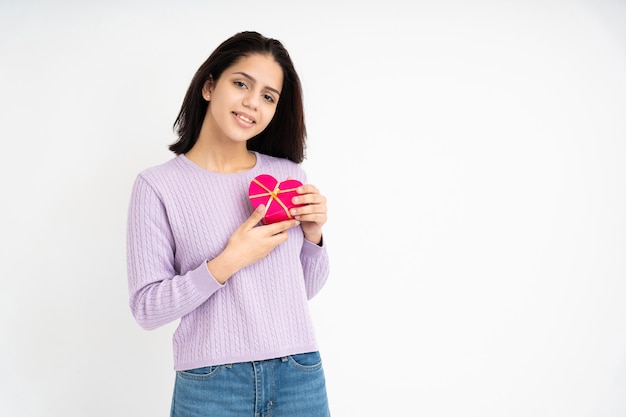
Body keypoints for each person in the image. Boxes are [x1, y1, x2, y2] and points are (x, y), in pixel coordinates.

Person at [126, 31, 331, 416]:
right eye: (241, 84)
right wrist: (228, 261)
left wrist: (313, 236)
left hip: (299, 375)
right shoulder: (157, 186)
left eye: (268, 96)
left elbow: (301, 291)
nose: (253, 103)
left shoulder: (288, 177)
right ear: (209, 86)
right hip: (211, 385)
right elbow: (146, 309)